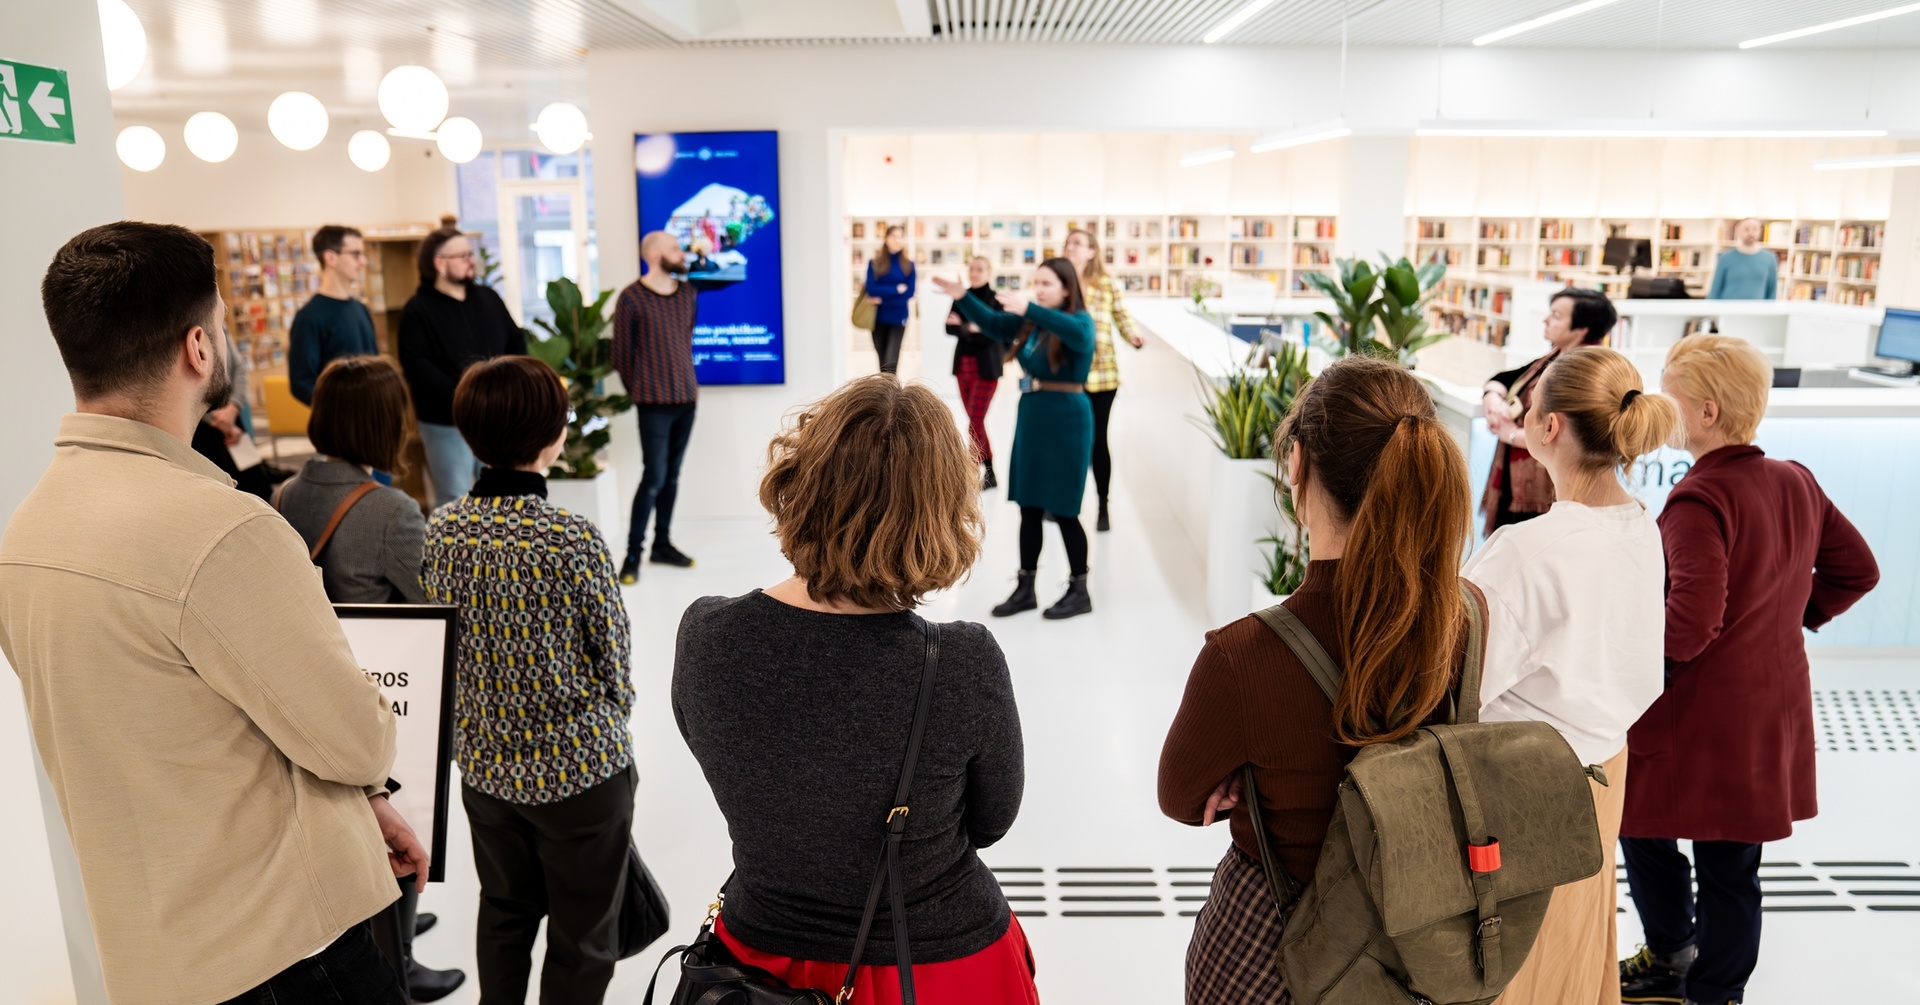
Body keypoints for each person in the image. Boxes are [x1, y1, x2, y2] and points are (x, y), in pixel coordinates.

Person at [2, 221, 424, 1005]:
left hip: (154, 954)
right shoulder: (223, 529)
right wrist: (369, 777)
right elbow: (356, 733)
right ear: (199, 348)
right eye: (225, 327)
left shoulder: (26, 533)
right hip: (287, 950)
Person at [674, 374, 1037, 1003]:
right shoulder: (961, 661)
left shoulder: (707, 633)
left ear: (800, 482)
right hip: (932, 966)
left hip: (752, 967)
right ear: (940, 512)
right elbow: (991, 820)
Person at [1158, 356, 1476, 1004]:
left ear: (1297, 464)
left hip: (1274, 945)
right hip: (1416, 945)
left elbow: (1181, 796)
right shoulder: (1463, 616)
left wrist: (1241, 773)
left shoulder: (1243, 655)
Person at [1618, 335, 1879, 1005]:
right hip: (1771, 708)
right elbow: (1859, 569)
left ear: (1705, 412)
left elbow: (1691, 622)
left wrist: (1628, 674)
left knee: (1639, 825)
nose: (1658, 407)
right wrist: (1785, 616)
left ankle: (1672, 954)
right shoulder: (1795, 479)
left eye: (1667, 395)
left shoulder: (1698, 499)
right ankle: (1717, 992)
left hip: (1698, 713)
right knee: (1733, 866)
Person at [1459, 345, 1677, 1005]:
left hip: (1519, 797)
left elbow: (1456, 683)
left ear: (1550, 428)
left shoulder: (1529, 550)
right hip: (1603, 770)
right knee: (1571, 959)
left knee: (1510, 962)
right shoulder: (1641, 525)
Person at [423, 355, 635, 1005]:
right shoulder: (569, 537)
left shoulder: (441, 530)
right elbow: (616, 666)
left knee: (505, 912)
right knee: (583, 935)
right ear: (554, 435)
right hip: (579, 775)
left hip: (486, 770)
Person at [272, 354, 466, 1002]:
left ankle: (391, 924)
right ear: (384, 422)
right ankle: (401, 959)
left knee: (355, 823)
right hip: (384, 698)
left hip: (311, 691)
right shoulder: (392, 509)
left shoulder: (287, 492)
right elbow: (429, 603)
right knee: (401, 820)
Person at [933, 259, 1098, 620]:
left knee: (1066, 509)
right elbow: (993, 324)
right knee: (1029, 505)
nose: (1038, 289)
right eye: (1036, 282)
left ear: (1067, 288)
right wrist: (962, 296)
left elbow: (1079, 336)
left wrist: (1031, 308)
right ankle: (1026, 587)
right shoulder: (1034, 320)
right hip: (1034, 416)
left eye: (1047, 283)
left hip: (1068, 418)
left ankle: (1079, 589)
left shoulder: (1080, 321)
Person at [398, 221, 527, 508]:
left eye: (471, 254)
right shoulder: (417, 310)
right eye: (464, 256)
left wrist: (508, 389)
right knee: (453, 498)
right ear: (439, 263)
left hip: (496, 417)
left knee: (503, 496)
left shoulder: (488, 298)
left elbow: (516, 343)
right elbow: (418, 367)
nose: (472, 261)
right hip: (445, 422)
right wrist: (467, 396)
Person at [1480, 287, 1616, 536]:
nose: (1546, 319)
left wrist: (1511, 434)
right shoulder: (1554, 357)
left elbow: (1565, 431)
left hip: (1548, 485)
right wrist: (1493, 398)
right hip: (1523, 472)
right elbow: (1504, 378)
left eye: (1556, 315)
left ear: (1581, 327)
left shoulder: (1588, 369)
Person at [610, 230, 700, 584]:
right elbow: (621, 356)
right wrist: (643, 390)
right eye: (675, 248)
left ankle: (662, 544)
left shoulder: (688, 295)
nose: (682, 253)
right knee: (654, 477)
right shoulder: (631, 298)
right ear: (656, 254)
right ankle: (633, 553)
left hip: (686, 399)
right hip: (653, 404)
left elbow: (685, 338)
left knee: (672, 476)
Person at [1063, 227, 1145, 532]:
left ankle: (1103, 506)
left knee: (1098, 441)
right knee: (1069, 442)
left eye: (1077, 243)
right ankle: (1062, 502)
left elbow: (1121, 317)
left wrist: (1133, 336)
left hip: (1103, 376)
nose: (1070, 247)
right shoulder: (1061, 282)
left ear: (1092, 251)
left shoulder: (1106, 284)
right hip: (1067, 375)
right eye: (1068, 243)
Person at [290, 224, 379, 405]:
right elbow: (302, 383)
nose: (363, 262)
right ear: (330, 258)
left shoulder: (361, 309)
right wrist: (339, 411)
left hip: (372, 417)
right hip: (339, 425)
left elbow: (374, 365)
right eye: (356, 254)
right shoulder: (309, 317)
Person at [190, 329, 281, 499]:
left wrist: (233, 407)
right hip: (202, 426)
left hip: (232, 418)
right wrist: (218, 419)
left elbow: (239, 368)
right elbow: (188, 386)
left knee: (258, 485)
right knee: (224, 494)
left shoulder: (220, 326)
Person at [944, 255, 1004, 489]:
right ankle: (987, 472)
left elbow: (994, 333)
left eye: (980, 269)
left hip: (986, 367)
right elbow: (949, 327)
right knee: (974, 420)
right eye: (972, 269)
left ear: (989, 272)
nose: (975, 273)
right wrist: (974, 328)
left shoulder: (996, 299)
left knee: (975, 420)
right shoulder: (962, 296)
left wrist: (965, 326)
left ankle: (981, 469)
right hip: (963, 366)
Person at [866, 225, 916, 374]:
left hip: (898, 318)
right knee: (882, 362)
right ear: (886, 238)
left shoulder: (909, 265)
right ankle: (882, 395)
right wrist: (895, 290)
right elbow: (871, 289)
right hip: (877, 318)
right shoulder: (875, 263)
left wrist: (882, 299)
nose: (897, 240)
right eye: (894, 236)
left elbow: (910, 292)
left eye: (900, 236)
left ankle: (892, 396)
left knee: (891, 362)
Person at [1707, 218, 1778, 301]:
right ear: (1738, 231)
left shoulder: (1769, 258)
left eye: (1754, 229)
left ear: (1760, 231)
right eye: (1746, 229)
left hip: (1757, 311)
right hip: (1728, 310)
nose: (1751, 233)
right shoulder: (1725, 258)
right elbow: (1715, 289)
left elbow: (1772, 292)